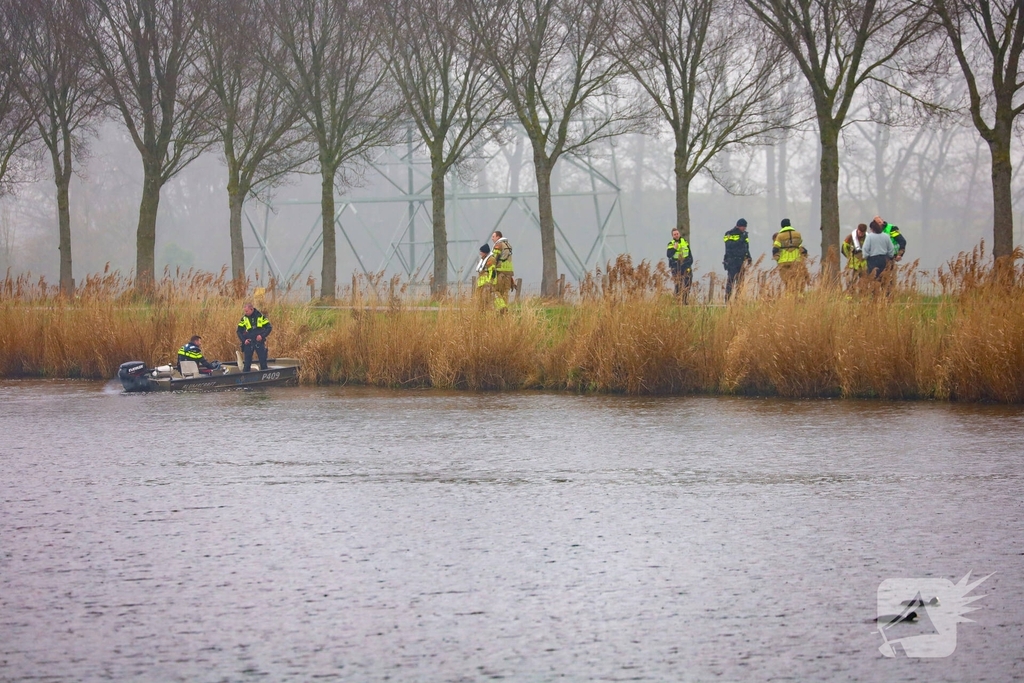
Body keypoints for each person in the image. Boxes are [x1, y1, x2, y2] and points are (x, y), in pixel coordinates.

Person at [772, 218, 809, 292]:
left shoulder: (780, 236)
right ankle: (798, 296)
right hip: (796, 262)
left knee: (787, 282)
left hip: (784, 263)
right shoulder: (798, 234)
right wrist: (804, 257)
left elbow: (775, 249)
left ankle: (789, 296)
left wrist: (777, 259)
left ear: (782, 226)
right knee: (797, 281)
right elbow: (801, 247)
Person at [237, 302, 272, 372]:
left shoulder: (260, 316)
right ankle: (246, 378)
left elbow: (269, 327)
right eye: (245, 311)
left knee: (263, 361)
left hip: (259, 342)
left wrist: (262, 336)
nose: (245, 313)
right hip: (249, 343)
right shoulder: (244, 319)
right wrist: (244, 341)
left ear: (251, 309)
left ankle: (264, 378)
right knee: (247, 363)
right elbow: (238, 331)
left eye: (247, 311)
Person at [723, 218, 752, 301]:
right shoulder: (729, 233)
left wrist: (748, 256)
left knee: (740, 281)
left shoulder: (745, 235)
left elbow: (746, 247)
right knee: (731, 281)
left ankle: (738, 299)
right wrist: (740, 240)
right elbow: (729, 245)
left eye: (745, 227)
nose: (744, 229)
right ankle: (727, 299)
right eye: (743, 227)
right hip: (731, 260)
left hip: (741, 261)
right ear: (738, 226)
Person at [666, 227, 693, 301]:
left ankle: (685, 300)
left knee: (688, 283)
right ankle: (677, 300)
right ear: (672, 236)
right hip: (676, 266)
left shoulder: (685, 242)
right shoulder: (671, 244)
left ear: (679, 234)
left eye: (677, 234)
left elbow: (689, 253)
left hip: (686, 265)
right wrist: (674, 248)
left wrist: (690, 262)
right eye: (674, 234)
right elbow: (668, 255)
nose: (676, 235)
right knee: (678, 284)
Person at [491, 231, 514, 310]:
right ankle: (505, 312)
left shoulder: (498, 245)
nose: (492, 239)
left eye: (493, 237)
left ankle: (501, 307)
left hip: (500, 272)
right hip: (509, 273)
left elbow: (493, 259)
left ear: (498, 237)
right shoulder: (508, 245)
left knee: (495, 291)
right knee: (505, 292)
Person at [475, 243, 501, 311]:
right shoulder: (483, 259)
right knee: (482, 300)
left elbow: (492, 272)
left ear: (485, 252)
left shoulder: (491, 259)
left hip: (487, 284)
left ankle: (499, 309)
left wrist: (489, 282)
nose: (480, 253)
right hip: (482, 284)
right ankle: (482, 311)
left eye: (481, 251)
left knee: (486, 299)